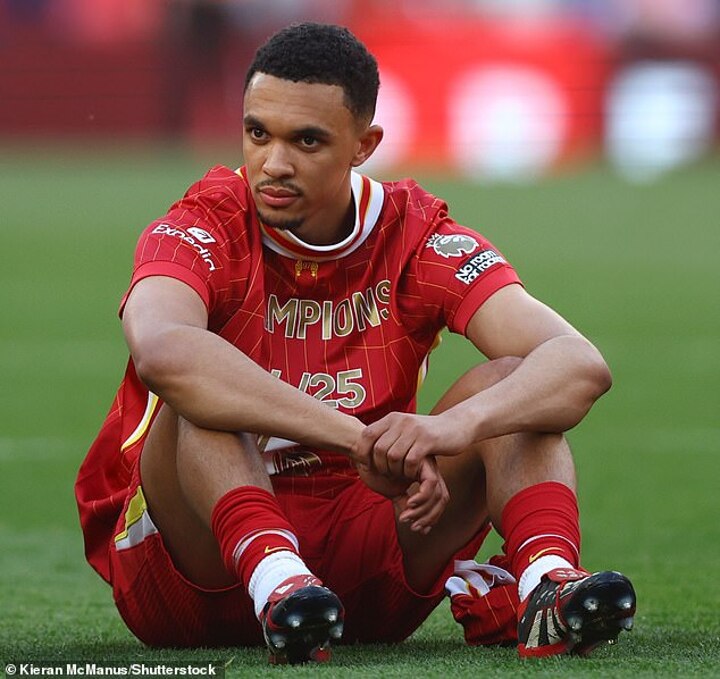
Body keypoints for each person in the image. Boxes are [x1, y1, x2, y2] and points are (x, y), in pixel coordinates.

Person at [75, 22, 636, 664]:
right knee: (203, 393)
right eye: (258, 133)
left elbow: (578, 364)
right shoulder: (203, 223)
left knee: (516, 383)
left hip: (367, 557)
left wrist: (452, 428)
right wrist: (357, 438)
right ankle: (278, 579)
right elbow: (163, 352)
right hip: (197, 573)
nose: (273, 163)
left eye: (307, 140)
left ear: (364, 145)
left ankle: (548, 583)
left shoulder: (415, 234)